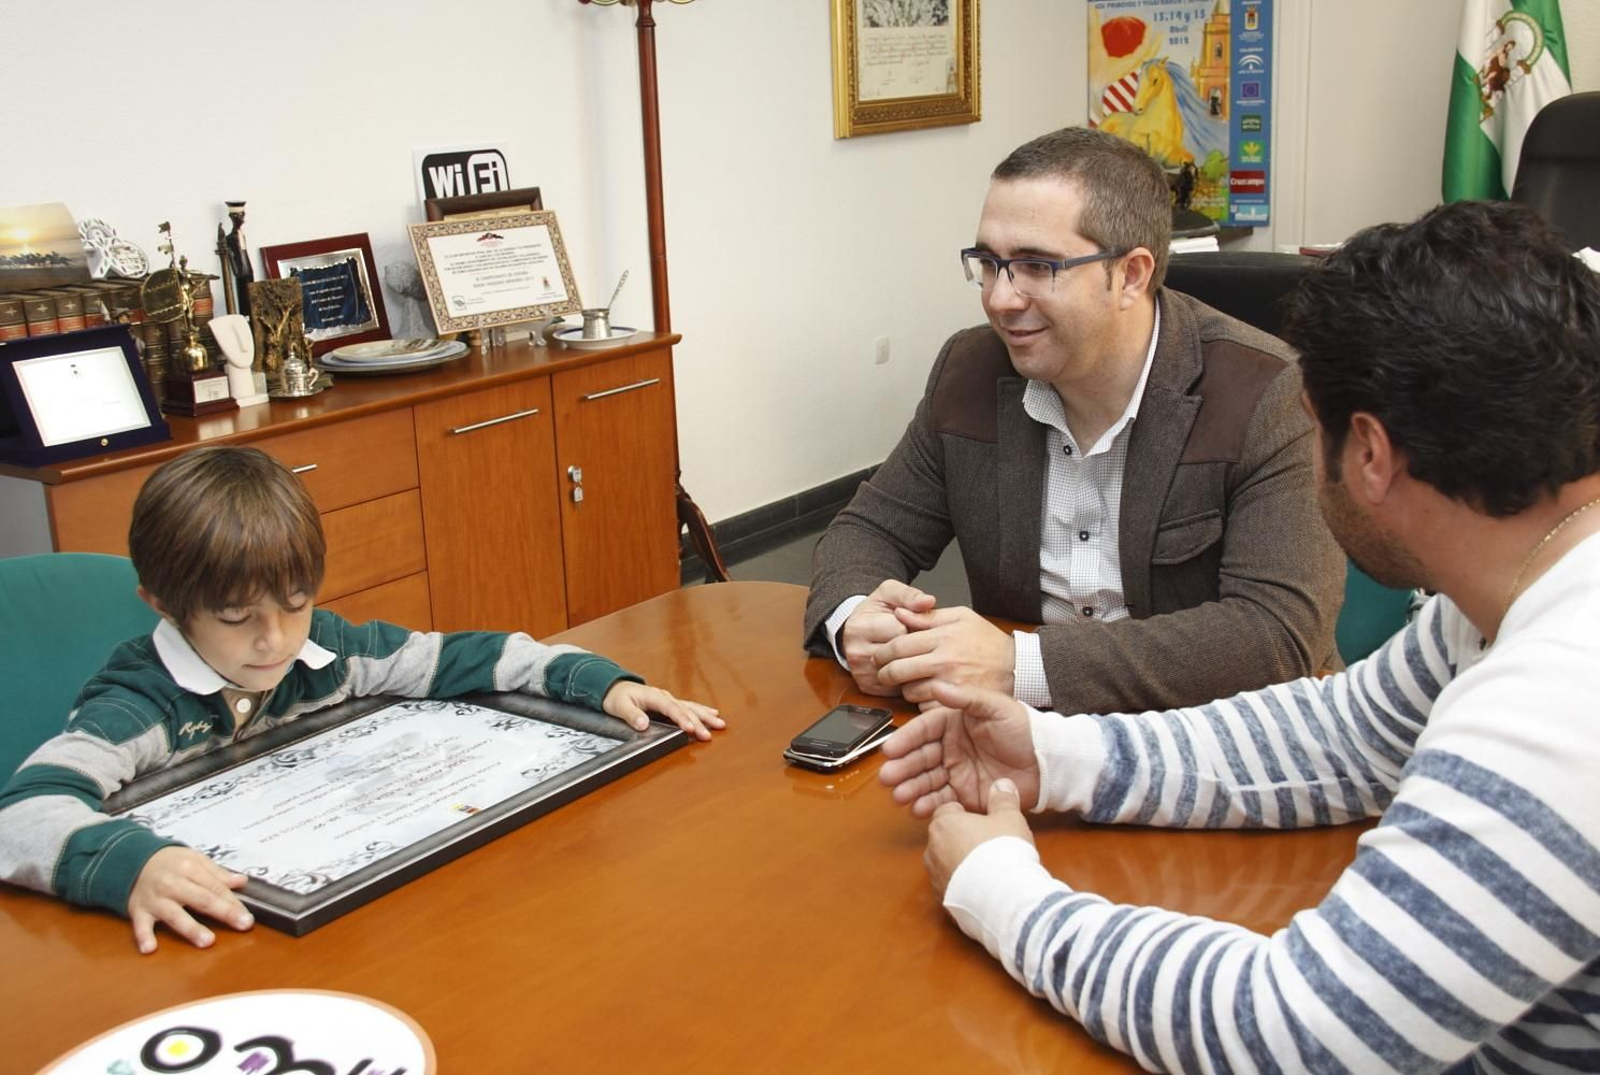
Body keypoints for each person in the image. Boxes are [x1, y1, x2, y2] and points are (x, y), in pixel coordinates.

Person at [878, 200, 1600, 1071]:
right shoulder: (1519, 582)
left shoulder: (1561, 702)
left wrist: (1000, 889)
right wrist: (1054, 755)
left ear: (1368, 453)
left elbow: (1293, 1034)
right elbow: (1344, 735)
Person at [0, 446, 724, 954]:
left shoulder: (331, 649)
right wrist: (135, 866)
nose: (275, 639)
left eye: (295, 603)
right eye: (234, 617)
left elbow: (463, 655)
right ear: (162, 604)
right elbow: (23, 813)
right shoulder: (139, 702)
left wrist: (603, 681)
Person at [805, 126, 1344, 716]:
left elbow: (1275, 634)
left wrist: (1022, 666)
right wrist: (854, 615)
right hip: (1017, 742)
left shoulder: (1269, 393)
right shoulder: (970, 371)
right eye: (988, 262)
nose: (1001, 299)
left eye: (1038, 265)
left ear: (1132, 276)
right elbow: (869, 530)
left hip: (1211, 740)